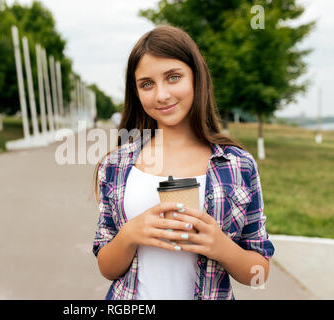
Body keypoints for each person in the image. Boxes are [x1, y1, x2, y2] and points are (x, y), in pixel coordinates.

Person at [91, 25, 275, 300]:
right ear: (137, 92)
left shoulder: (238, 165)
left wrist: (221, 246)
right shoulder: (116, 165)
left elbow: (258, 272)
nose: (161, 95)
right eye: (147, 84)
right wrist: (130, 234)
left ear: (196, 78)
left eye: (173, 77)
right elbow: (107, 267)